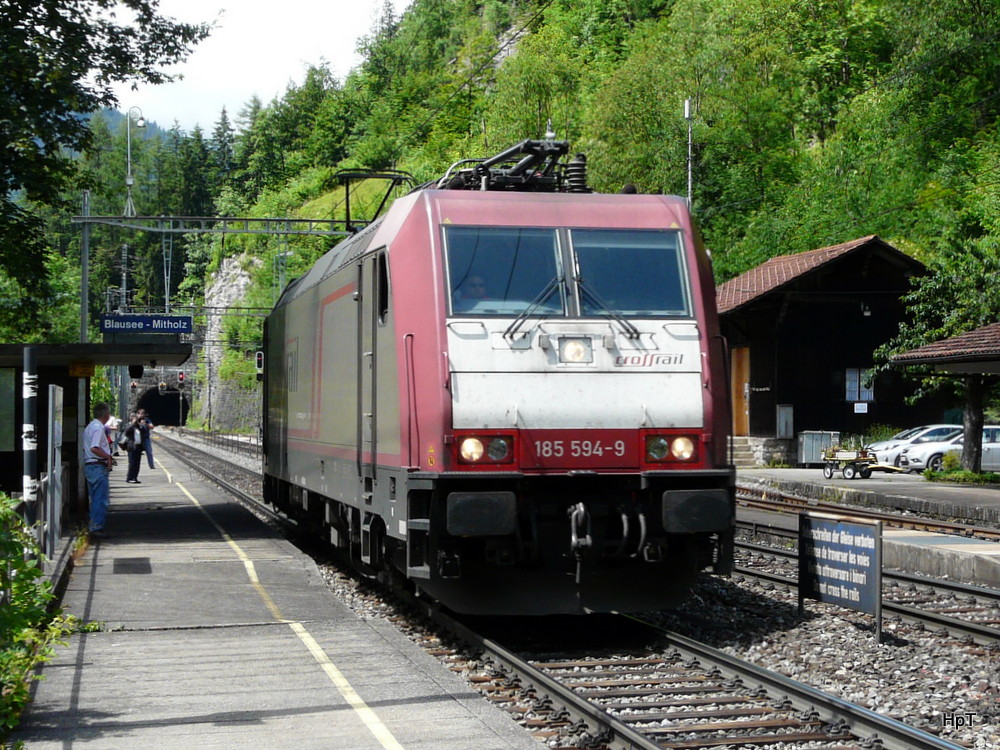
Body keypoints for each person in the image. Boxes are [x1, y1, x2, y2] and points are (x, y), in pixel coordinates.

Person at [82, 402, 114, 536]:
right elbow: (94, 447)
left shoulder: (90, 426)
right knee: (100, 499)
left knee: (95, 498)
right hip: (97, 466)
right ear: (105, 414)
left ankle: (94, 524)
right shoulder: (98, 428)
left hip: (91, 466)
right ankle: (96, 527)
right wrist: (108, 457)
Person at [123, 412, 150, 484]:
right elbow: (126, 432)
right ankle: (129, 478)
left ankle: (135, 477)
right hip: (131, 446)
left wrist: (142, 424)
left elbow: (145, 432)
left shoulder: (139, 426)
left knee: (137, 464)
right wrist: (133, 424)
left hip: (139, 447)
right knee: (132, 463)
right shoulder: (129, 425)